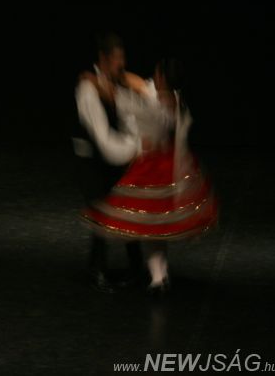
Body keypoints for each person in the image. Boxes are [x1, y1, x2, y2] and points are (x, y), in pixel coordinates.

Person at [81, 58, 219, 295]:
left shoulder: (152, 104)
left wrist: (95, 81)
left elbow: (117, 97)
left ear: (162, 78)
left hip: (152, 167)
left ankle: (158, 277)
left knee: (151, 226)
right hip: (169, 163)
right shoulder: (175, 99)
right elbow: (139, 85)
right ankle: (159, 276)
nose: (153, 76)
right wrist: (119, 76)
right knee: (157, 227)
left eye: (157, 73)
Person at [73, 33, 145, 293]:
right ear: (103, 59)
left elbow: (131, 119)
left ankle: (136, 267)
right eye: (116, 59)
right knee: (101, 214)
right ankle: (97, 271)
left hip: (115, 156)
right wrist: (134, 150)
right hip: (92, 160)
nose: (121, 64)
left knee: (127, 209)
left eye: (122, 58)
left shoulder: (116, 84)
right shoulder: (87, 90)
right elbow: (103, 141)